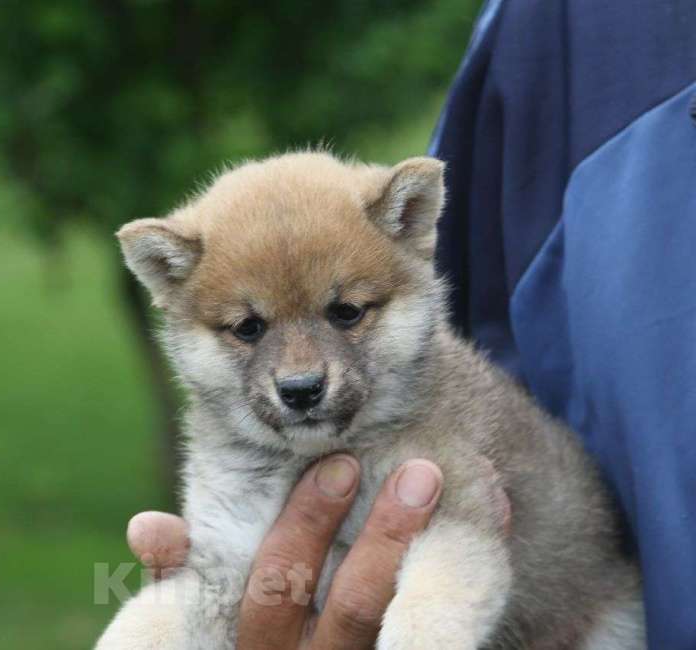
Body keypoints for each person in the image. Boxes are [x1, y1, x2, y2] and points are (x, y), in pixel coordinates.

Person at [125, 0, 696, 646]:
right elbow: (209, 596)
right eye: (247, 329)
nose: (300, 370)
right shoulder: (548, 32)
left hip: (592, 623)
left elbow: (455, 558)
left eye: (346, 314)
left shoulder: (431, 414)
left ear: (408, 225)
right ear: (168, 279)